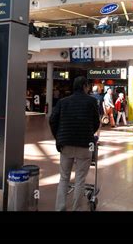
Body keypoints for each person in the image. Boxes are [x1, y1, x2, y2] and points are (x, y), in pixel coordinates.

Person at [49, 76, 100, 211]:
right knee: (80, 179)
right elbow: (96, 122)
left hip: (66, 145)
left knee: (64, 178)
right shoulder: (92, 101)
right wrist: (88, 132)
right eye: (87, 86)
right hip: (85, 145)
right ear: (84, 86)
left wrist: (59, 137)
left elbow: (52, 120)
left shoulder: (63, 102)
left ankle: (60, 208)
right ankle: (76, 209)